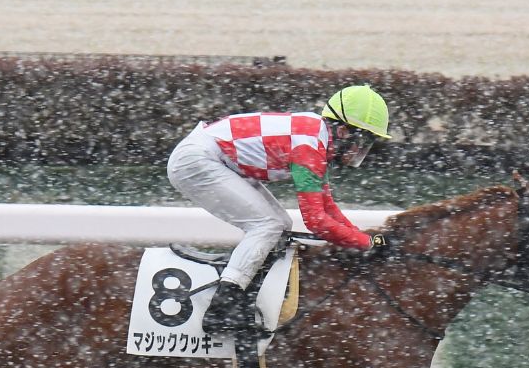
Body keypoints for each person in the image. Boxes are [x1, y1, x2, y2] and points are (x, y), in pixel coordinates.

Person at [166, 84, 393, 334]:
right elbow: (316, 221)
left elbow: (328, 208)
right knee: (267, 225)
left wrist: (366, 238)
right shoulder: (308, 146)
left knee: (280, 225)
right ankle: (223, 307)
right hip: (197, 160)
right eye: (361, 141)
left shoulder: (317, 139)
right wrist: (365, 243)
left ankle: (245, 294)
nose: (360, 151)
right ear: (342, 131)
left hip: (217, 158)